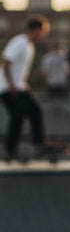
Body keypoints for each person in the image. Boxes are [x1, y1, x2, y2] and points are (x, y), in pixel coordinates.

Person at [1, 15, 52, 162]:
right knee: (25, 113)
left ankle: (17, 148)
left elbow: (18, 71)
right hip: (7, 87)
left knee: (28, 113)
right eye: (42, 33)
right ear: (36, 30)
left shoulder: (29, 45)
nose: (42, 36)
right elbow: (6, 61)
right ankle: (34, 145)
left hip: (18, 86)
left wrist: (23, 86)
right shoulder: (20, 42)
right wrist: (11, 85)